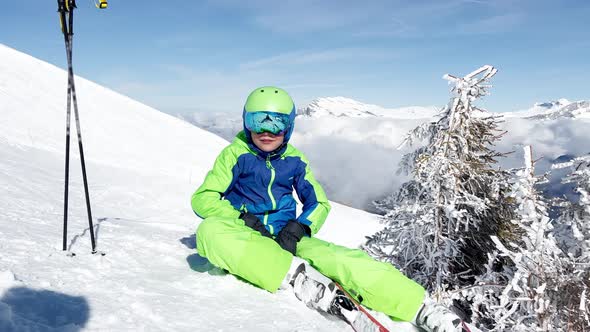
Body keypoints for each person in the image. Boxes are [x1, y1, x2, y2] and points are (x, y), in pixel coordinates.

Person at [191, 86, 465, 332]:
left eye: (276, 122)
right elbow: (203, 198)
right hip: (245, 236)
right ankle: (297, 278)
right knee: (210, 232)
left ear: (288, 127)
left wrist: (299, 227)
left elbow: (318, 202)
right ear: (245, 121)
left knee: (346, 260)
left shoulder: (295, 161)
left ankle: (421, 308)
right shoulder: (234, 156)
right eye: (257, 120)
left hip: (288, 239)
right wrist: (242, 219)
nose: (266, 130)